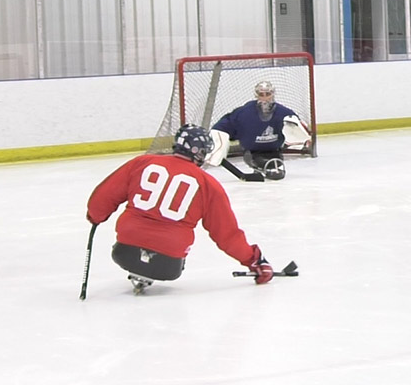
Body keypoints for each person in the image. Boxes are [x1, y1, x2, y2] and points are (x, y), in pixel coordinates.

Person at [86, 124, 275, 294]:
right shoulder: (208, 184)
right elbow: (226, 233)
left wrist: (95, 216)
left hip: (124, 252)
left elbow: (104, 196)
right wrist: (253, 260)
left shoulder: (141, 163)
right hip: (168, 264)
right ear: (200, 152)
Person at [212, 80, 311, 181]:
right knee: (265, 164)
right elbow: (223, 126)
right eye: (261, 94)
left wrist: (302, 136)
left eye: (267, 94)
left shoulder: (284, 113)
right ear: (256, 95)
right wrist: (216, 139)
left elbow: (299, 129)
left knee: (274, 168)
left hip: (274, 151)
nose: (264, 98)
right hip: (252, 152)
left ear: (272, 94)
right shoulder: (244, 113)